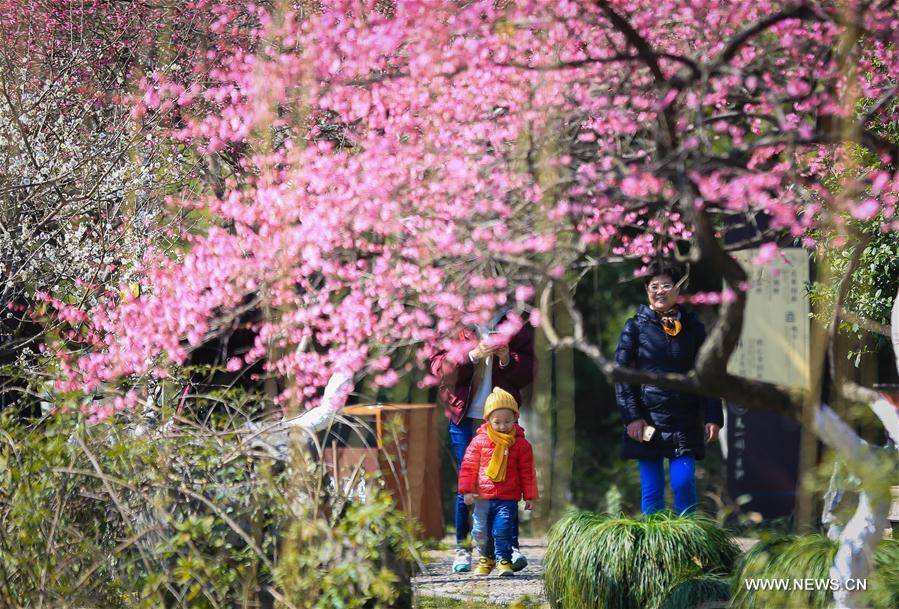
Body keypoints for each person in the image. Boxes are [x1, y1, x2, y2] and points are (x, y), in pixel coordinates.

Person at [429, 309, 535, 573]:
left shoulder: (514, 320)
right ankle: (463, 549)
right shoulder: (451, 317)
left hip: (502, 418)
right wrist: (471, 356)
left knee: (507, 482)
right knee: (467, 485)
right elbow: (439, 369)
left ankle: (509, 549)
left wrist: (506, 360)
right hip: (465, 417)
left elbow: (529, 370)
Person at [614, 261, 724, 516]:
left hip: (685, 419)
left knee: (683, 484)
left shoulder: (693, 327)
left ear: (677, 291)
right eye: (654, 286)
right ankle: (655, 549)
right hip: (647, 421)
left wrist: (713, 416)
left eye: (666, 285)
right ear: (646, 290)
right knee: (652, 489)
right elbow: (622, 375)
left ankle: (688, 544)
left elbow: (708, 373)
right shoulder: (634, 327)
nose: (660, 291)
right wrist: (632, 417)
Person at [458, 387, 538, 577]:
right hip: (483, 497)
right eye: (497, 422)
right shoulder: (479, 441)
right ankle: (486, 559)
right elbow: (468, 467)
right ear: (488, 420)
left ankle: (504, 559)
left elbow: (527, 472)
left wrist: (530, 496)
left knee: (502, 530)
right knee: (480, 531)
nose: (503, 426)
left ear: (515, 419)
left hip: (507, 497)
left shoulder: (520, 444)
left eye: (508, 421)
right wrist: (467, 491)